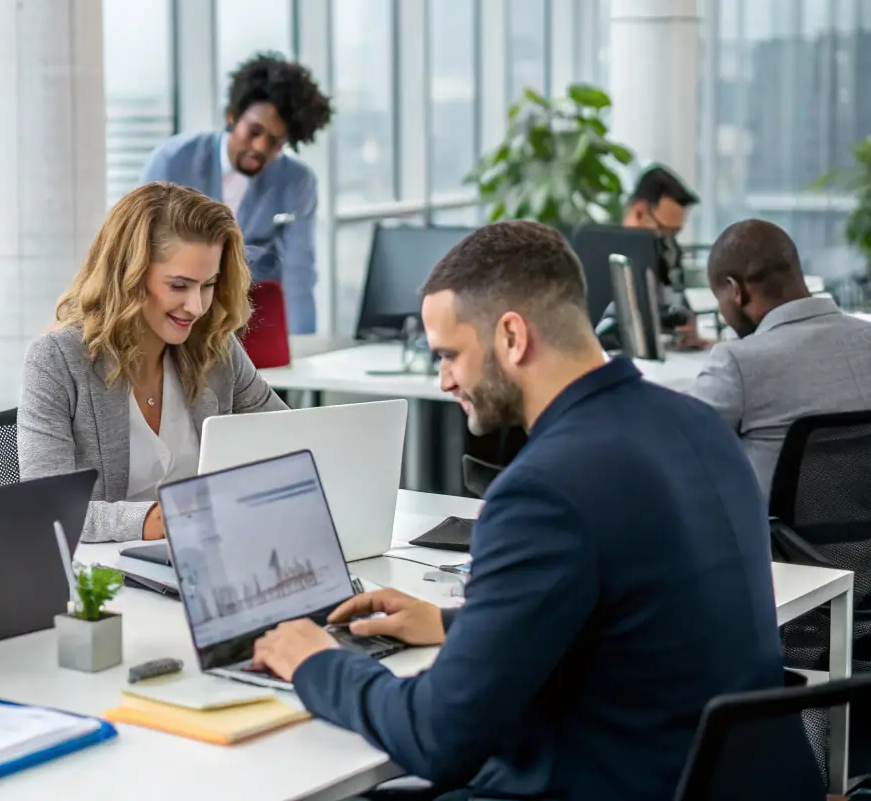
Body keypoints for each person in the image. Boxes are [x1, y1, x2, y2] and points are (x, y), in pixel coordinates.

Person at [249, 221, 814, 801]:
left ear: (512, 337)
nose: (443, 379)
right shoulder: (697, 423)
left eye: (449, 354)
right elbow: (632, 615)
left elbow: (439, 737)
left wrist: (317, 663)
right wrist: (452, 626)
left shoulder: (543, 491)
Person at [19, 182, 286, 543]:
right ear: (128, 277)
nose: (196, 306)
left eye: (208, 284)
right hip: (109, 578)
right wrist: (161, 519)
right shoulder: (57, 360)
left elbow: (292, 440)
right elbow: (48, 508)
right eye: (179, 286)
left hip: (208, 558)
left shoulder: (214, 347)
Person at [139, 51, 332, 334]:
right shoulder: (172, 161)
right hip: (174, 316)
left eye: (276, 142)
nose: (260, 148)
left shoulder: (297, 181)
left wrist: (303, 347)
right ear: (232, 117)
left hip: (253, 325)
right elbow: (138, 249)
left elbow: (298, 272)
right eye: (254, 131)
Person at [688, 218, 871, 497]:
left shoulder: (737, 362)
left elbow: (673, 443)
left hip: (778, 540)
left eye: (719, 299)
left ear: (735, 290)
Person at [622, 164, 706, 347]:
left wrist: (687, 324)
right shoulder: (599, 253)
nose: (668, 239)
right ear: (639, 211)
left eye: (675, 232)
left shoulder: (669, 250)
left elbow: (676, 296)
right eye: (663, 230)